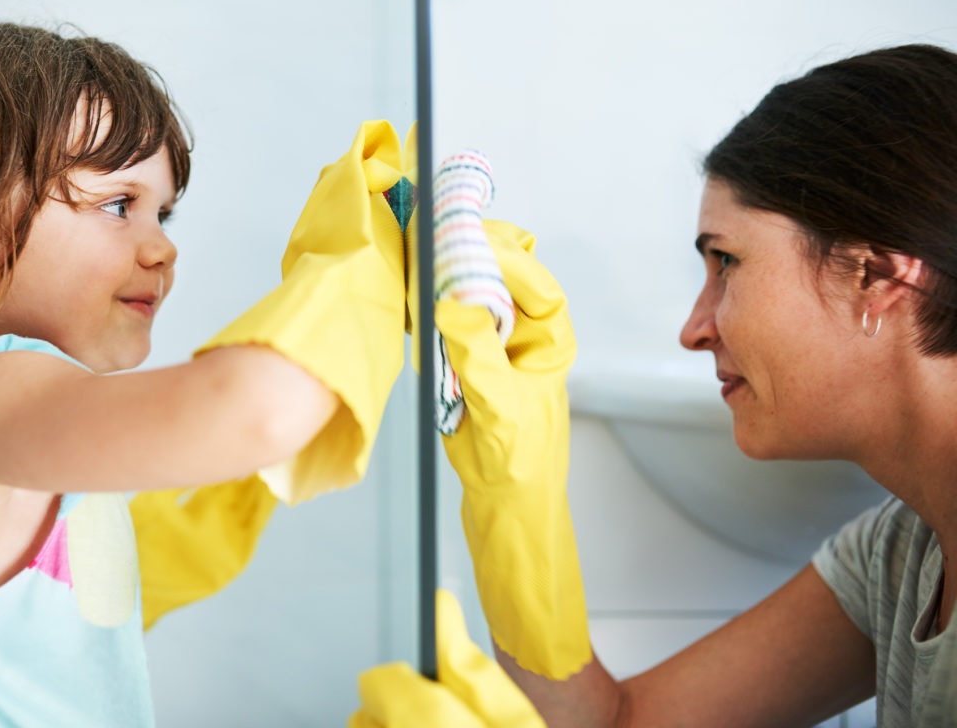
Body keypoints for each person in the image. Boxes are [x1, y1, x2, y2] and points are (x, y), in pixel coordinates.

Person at [0, 17, 412, 726]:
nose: (161, 249)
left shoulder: (16, 430)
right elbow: (253, 412)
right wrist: (377, 253)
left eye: (165, 214)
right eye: (118, 205)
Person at [353, 43, 957, 727]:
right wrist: (512, 487)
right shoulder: (900, 553)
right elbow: (621, 724)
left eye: (726, 261)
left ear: (874, 278)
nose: (694, 329)